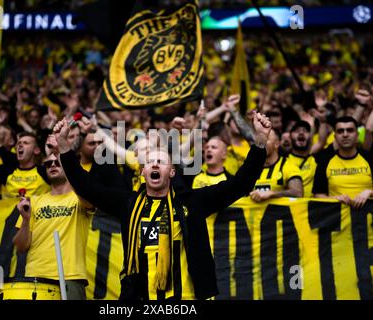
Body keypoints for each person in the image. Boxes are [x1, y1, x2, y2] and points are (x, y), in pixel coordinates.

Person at [54, 112, 271, 300]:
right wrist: (64, 148)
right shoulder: (128, 204)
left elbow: (239, 184)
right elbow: (87, 187)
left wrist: (260, 142)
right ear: (142, 171)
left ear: (172, 172)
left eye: (161, 161)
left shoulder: (193, 202)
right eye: (149, 162)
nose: (155, 164)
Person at [12, 152, 95, 300]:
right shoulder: (34, 201)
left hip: (70, 276)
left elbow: (90, 202)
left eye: (57, 162)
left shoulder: (78, 198)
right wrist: (25, 220)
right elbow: (20, 246)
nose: (52, 165)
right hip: (35, 277)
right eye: (48, 163)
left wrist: (71, 168)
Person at [313, 116, 373, 209]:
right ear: (335, 137)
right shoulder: (324, 161)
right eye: (340, 131)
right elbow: (318, 195)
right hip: (337, 219)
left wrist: (370, 192)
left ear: (357, 134)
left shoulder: (370, 157)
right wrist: (333, 199)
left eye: (350, 130)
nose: (345, 134)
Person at [0, 132, 51, 197]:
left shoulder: (45, 171)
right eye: (19, 143)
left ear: (36, 150)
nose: (20, 145)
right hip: (11, 218)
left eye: (25, 143)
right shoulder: (7, 171)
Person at [250, 129, 303, 203]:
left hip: (280, 214)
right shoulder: (250, 169)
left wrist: (272, 193)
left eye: (266, 139)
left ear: (276, 144)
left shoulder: (288, 166)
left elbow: (298, 193)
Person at [287, 121, 319, 198]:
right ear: (290, 136)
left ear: (310, 137)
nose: (301, 133)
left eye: (305, 131)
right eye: (297, 131)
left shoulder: (318, 160)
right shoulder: (283, 160)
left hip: (312, 208)